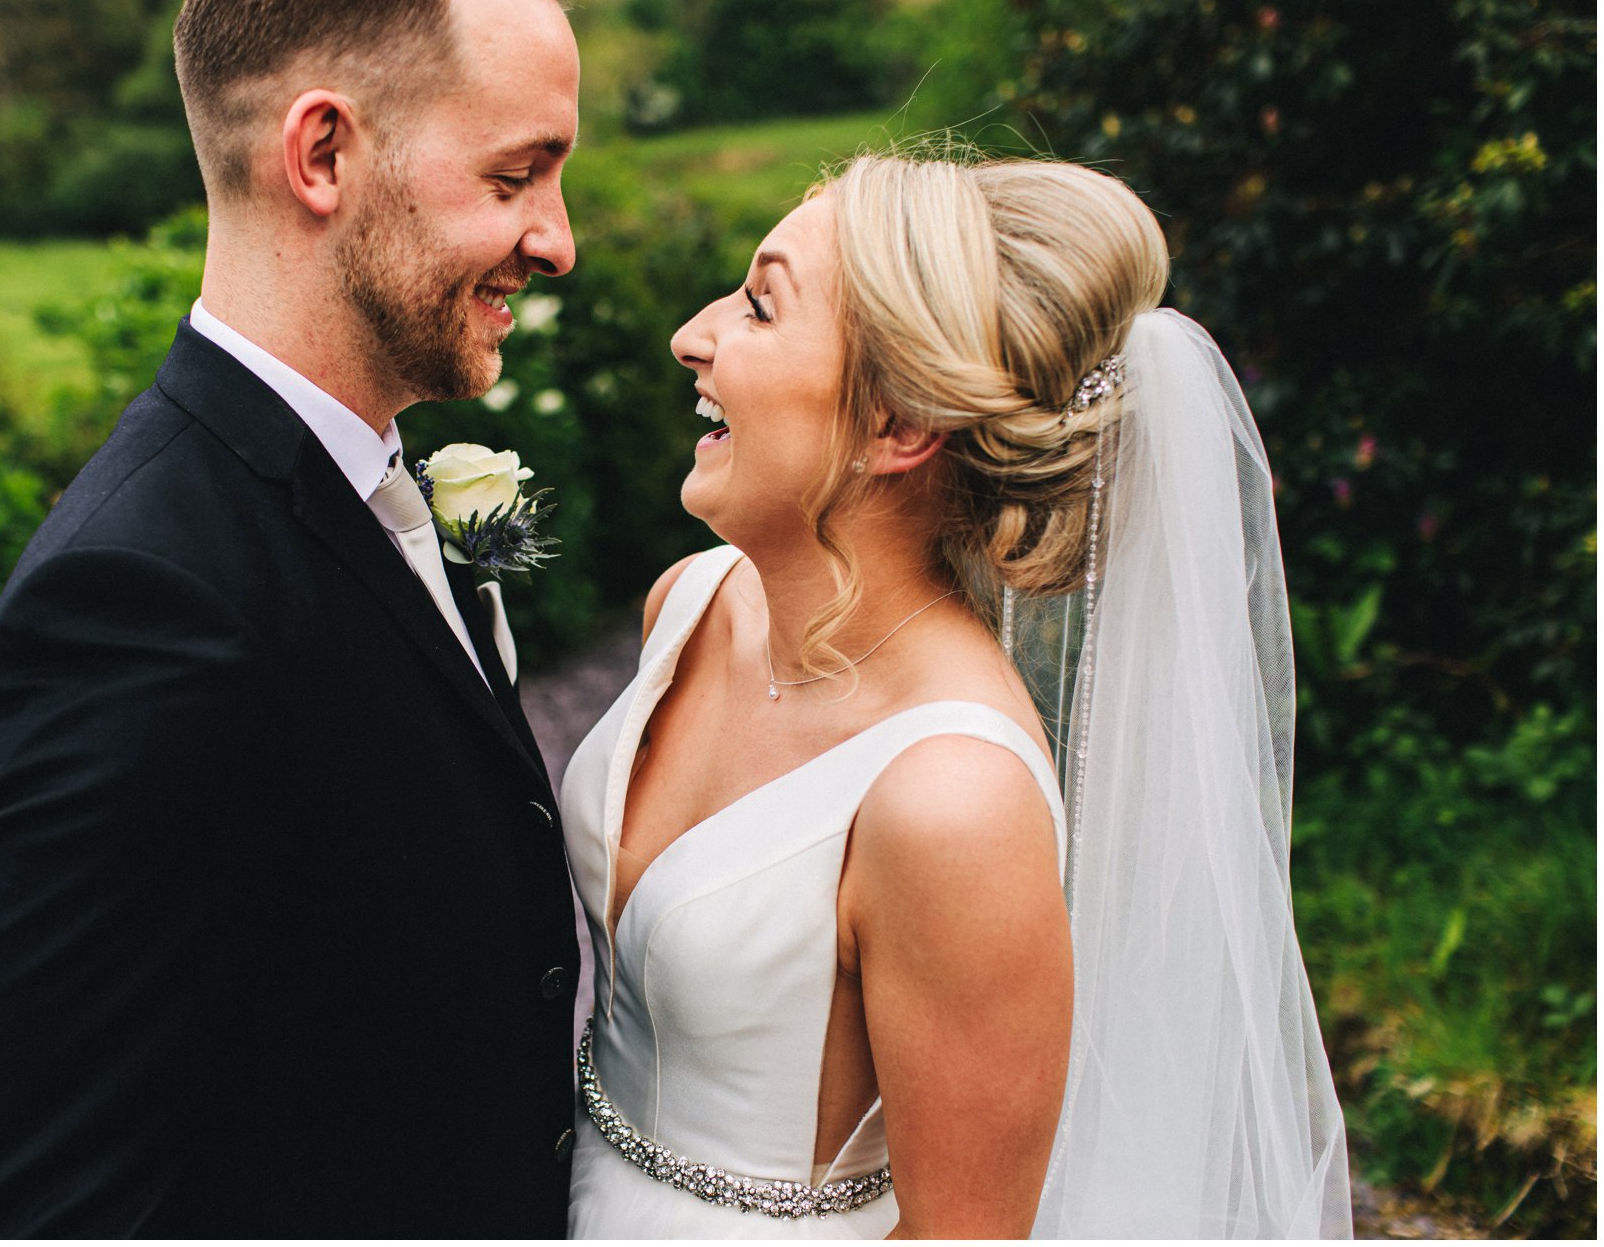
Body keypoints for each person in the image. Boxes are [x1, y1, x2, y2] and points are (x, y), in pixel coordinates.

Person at [560, 153, 1353, 1237]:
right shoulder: (689, 604)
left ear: (896, 425)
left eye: (757, 305)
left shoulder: (952, 799)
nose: (692, 336)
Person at [0, 0, 587, 1237]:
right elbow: (54, 1203)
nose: (557, 241)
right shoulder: (136, 603)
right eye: (513, 176)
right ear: (322, 157)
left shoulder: (373, 478)